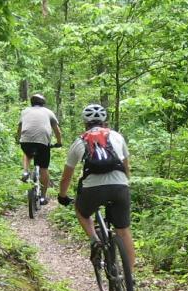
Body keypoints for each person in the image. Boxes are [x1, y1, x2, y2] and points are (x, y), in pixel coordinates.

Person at [57, 103, 135, 269]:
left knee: (81, 211)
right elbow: (127, 167)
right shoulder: (117, 136)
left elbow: (66, 176)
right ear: (105, 121)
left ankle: (95, 240)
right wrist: (124, 185)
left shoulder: (80, 141)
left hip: (92, 190)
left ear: (85, 123)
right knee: (124, 230)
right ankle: (130, 276)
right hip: (120, 187)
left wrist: (62, 196)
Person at [16, 93, 63, 205]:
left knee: (27, 154)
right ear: (43, 103)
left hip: (26, 140)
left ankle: (25, 172)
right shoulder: (48, 112)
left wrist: (18, 139)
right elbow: (57, 130)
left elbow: (19, 128)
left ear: (32, 102)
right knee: (43, 169)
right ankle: (42, 197)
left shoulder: (25, 111)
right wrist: (59, 142)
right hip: (43, 143)